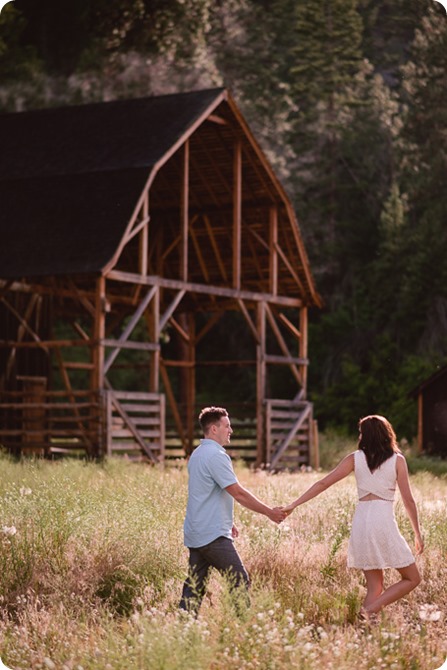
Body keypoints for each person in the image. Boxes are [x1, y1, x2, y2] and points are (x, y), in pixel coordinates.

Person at [283, 414, 424, 621]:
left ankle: (364, 627)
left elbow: (323, 483)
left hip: (361, 521)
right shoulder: (397, 460)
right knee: (413, 578)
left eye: (360, 432)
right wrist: (417, 533)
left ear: (366, 435)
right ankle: (369, 612)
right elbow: (408, 500)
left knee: (375, 586)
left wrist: (294, 504)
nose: (359, 435)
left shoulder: (355, 458)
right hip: (382, 520)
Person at [179, 406, 286, 614]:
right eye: (227, 426)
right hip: (212, 535)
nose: (231, 430)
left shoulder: (198, 454)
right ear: (213, 429)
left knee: (194, 588)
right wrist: (269, 512)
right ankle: (243, 629)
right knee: (239, 579)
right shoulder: (216, 456)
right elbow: (238, 493)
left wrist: (228, 521)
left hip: (196, 532)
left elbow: (206, 493)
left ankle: (182, 631)